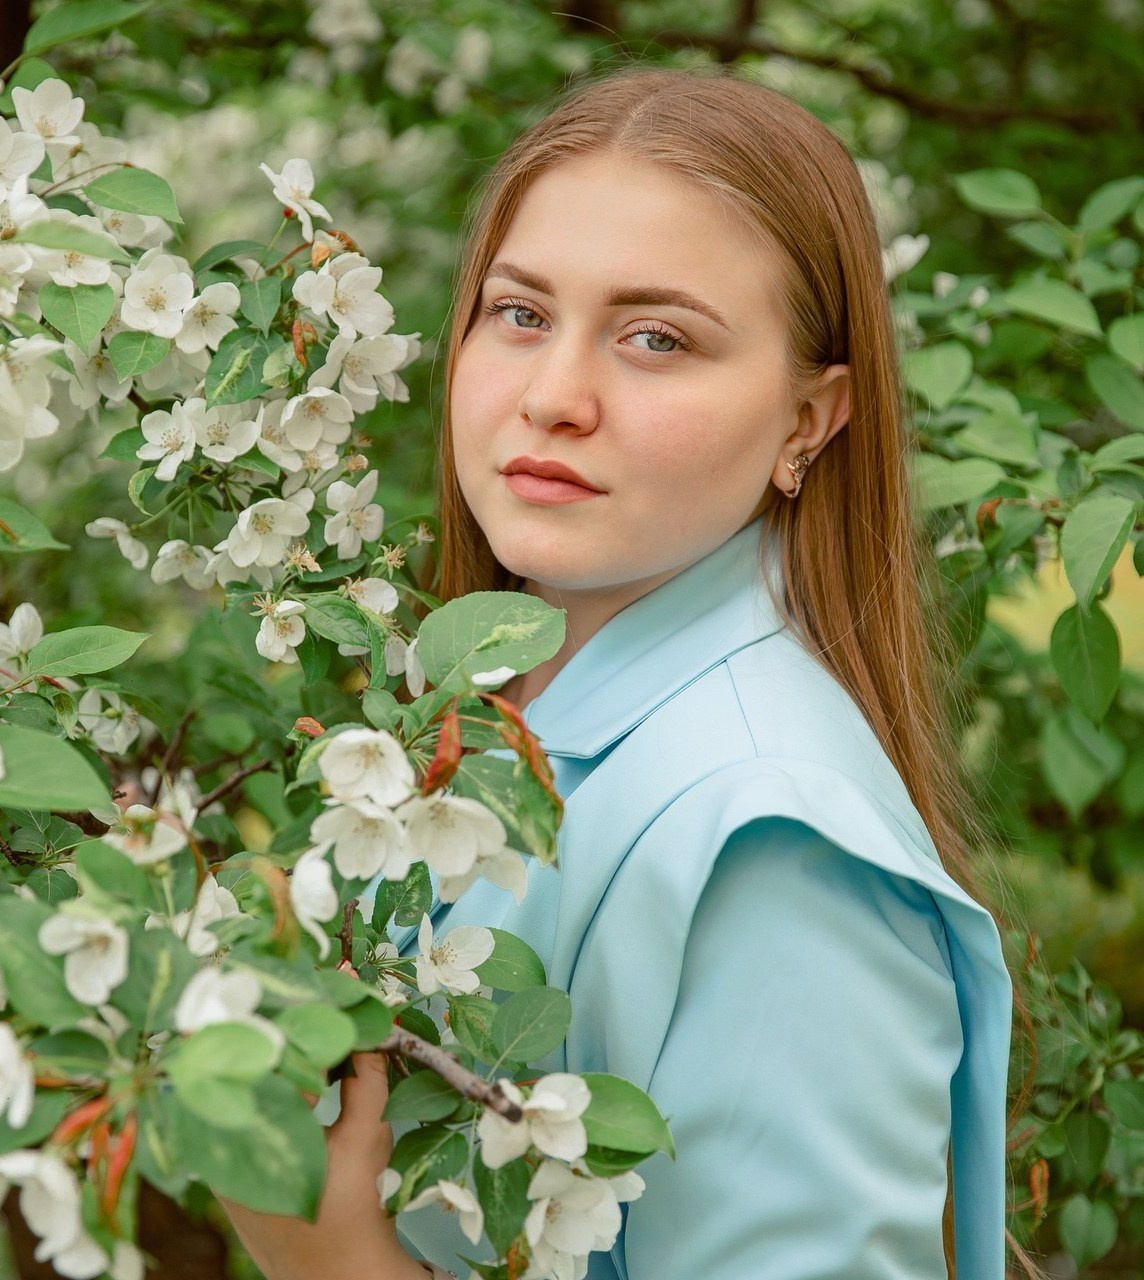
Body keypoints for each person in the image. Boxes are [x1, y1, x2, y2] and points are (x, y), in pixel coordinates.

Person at [222, 66, 1014, 1280]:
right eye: (521, 313)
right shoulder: (484, 712)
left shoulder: (769, 841)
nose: (551, 397)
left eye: (657, 338)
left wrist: (331, 1263)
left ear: (809, 418)